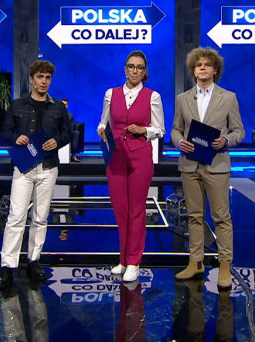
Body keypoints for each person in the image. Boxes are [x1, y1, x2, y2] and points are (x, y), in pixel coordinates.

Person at [170, 47, 245, 289]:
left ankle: (224, 265)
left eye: (207, 65)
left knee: (221, 217)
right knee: (194, 216)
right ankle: (196, 262)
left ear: (215, 70)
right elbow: (175, 130)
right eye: (198, 65)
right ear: (193, 70)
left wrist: (226, 140)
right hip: (190, 165)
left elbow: (239, 131)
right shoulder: (183, 99)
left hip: (217, 164)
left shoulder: (228, 98)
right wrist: (178, 142)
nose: (202, 68)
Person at [0, 60, 70, 291]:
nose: (44, 81)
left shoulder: (58, 107)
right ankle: (8, 265)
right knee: (16, 216)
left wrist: (57, 141)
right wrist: (15, 138)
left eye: (47, 78)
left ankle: (34, 260)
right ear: (31, 79)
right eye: (40, 77)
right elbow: (5, 133)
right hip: (24, 168)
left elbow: (67, 134)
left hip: (48, 168)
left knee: (40, 217)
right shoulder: (17, 105)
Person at [98, 50, 164, 283]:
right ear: (125, 69)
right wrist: (101, 129)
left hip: (140, 158)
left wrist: (144, 130)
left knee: (137, 210)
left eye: (140, 67)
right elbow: (103, 122)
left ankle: (134, 261)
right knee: (120, 211)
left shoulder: (153, 96)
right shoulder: (111, 94)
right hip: (116, 158)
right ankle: (124, 259)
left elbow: (160, 129)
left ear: (145, 72)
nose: (135, 71)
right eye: (131, 66)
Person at [61, 98, 81, 162]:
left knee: (76, 133)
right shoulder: (55, 114)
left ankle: (73, 155)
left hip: (67, 133)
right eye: (63, 104)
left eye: (65, 104)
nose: (64, 106)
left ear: (67, 106)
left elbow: (71, 127)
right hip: (57, 134)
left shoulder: (70, 115)